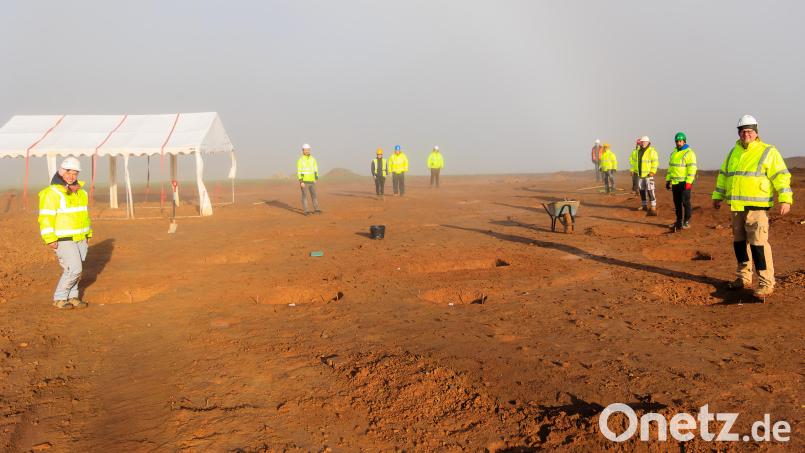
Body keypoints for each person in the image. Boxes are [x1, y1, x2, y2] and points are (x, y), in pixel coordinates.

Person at [712, 115, 792, 298]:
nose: (745, 134)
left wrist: (785, 198)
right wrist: (717, 196)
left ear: (756, 132)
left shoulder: (768, 151)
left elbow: (781, 175)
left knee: (758, 246)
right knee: (739, 244)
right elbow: (724, 175)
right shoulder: (733, 152)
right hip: (737, 207)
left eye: (749, 131)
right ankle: (743, 278)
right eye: (742, 131)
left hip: (757, 207)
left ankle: (765, 283)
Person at [38, 157, 92, 309]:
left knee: (74, 269)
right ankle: (60, 298)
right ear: (62, 172)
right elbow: (45, 217)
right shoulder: (51, 192)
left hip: (80, 237)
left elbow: (84, 215)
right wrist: (49, 238)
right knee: (75, 269)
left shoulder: (81, 192)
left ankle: (72, 296)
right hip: (62, 238)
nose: (71, 176)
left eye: (75, 173)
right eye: (68, 172)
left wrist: (88, 234)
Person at [665, 132, 698, 231]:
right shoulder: (673, 153)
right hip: (675, 183)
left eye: (680, 141)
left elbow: (692, 169)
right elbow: (671, 168)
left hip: (685, 183)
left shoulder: (689, 153)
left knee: (685, 202)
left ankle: (686, 221)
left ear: (684, 141)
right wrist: (668, 180)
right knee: (677, 203)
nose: (679, 143)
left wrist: (689, 182)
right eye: (677, 141)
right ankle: (679, 221)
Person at [633, 136, 659, 215]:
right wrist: (634, 171)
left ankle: (653, 207)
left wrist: (652, 171)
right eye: (642, 142)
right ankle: (644, 205)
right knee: (641, 191)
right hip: (640, 175)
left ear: (648, 142)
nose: (643, 143)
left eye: (645, 142)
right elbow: (635, 162)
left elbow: (655, 162)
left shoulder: (652, 151)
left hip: (648, 175)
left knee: (650, 190)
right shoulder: (638, 151)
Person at [296, 143, 320, 215]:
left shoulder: (313, 159)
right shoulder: (300, 160)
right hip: (304, 182)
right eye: (305, 150)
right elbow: (299, 171)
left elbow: (315, 169)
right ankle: (306, 211)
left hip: (312, 181)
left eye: (308, 150)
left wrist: (316, 178)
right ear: (303, 151)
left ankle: (316, 209)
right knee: (305, 196)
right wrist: (301, 181)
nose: (307, 151)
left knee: (314, 196)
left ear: (310, 150)